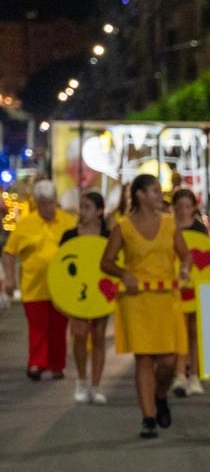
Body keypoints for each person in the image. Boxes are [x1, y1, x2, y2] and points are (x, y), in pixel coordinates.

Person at [100, 175, 192, 439]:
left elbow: (185, 254)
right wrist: (122, 273)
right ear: (140, 195)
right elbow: (106, 261)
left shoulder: (169, 223)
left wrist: (185, 268)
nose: (158, 195)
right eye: (154, 191)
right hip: (136, 299)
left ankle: (160, 395)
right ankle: (148, 417)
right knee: (144, 358)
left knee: (168, 360)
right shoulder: (123, 227)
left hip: (166, 298)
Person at [3, 179, 77, 380]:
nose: (47, 206)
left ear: (56, 201)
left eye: (50, 202)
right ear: (36, 202)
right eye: (43, 202)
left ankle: (56, 366)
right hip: (34, 287)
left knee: (58, 329)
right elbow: (9, 252)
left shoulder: (67, 221)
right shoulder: (26, 224)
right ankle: (36, 363)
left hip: (61, 287)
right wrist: (9, 278)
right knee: (38, 328)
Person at [62, 191, 111, 404]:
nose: (82, 212)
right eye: (81, 207)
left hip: (100, 293)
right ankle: (81, 380)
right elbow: (61, 268)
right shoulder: (69, 236)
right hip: (77, 294)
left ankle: (96, 385)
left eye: (87, 207)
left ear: (99, 211)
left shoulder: (108, 237)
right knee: (79, 335)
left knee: (99, 336)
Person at [171, 188, 208, 398]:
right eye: (180, 207)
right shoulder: (170, 228)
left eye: (187, 207)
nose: (184, 211)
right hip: (176, 288)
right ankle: (179, 375)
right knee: (179, 331)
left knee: (195, 332)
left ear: (193, 208)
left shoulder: (200, 230)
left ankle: (194, 374)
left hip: (196, 288)